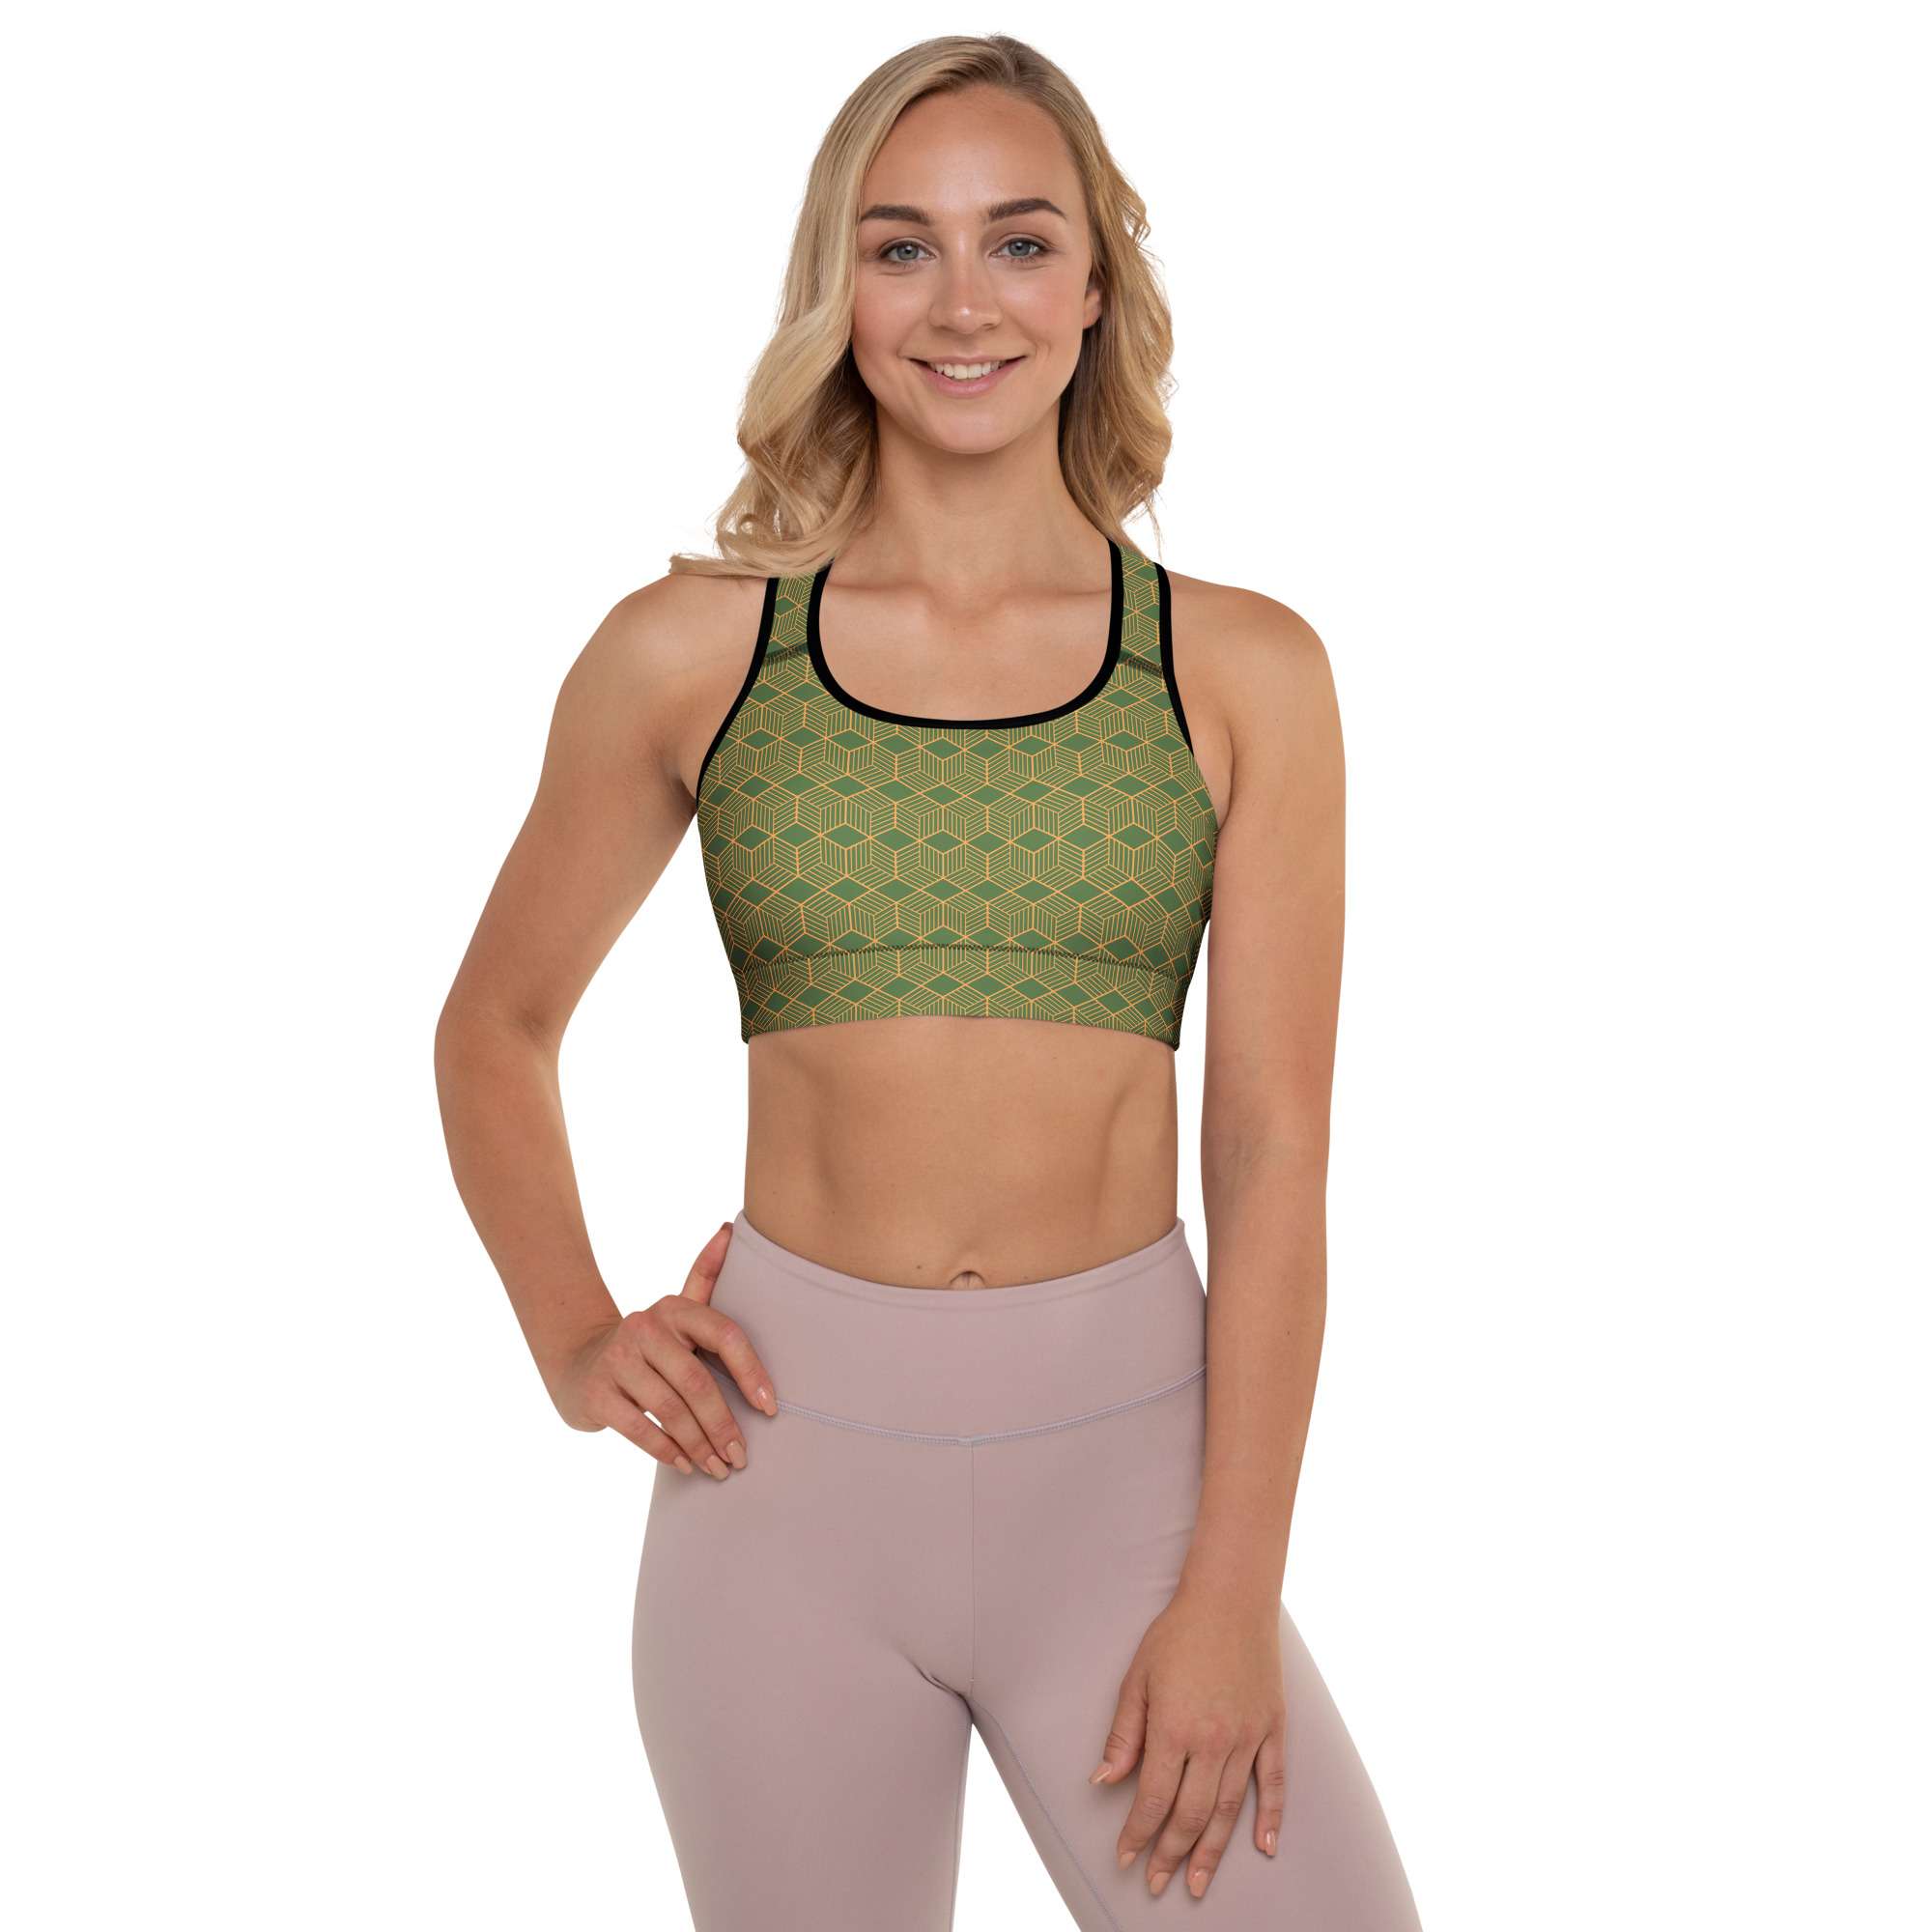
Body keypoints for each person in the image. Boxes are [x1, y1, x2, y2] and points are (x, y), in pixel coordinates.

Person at [435, 32, 1422, 1931]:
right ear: (840, 287)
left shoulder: (1242, 673)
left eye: (1019, 242)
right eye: (903, 248)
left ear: (1096, 286)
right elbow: (496, 1025)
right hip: (781, 1495)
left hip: (1133, 1493)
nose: (964, 302)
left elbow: (1273, 1153)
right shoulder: (689, 654)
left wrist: (1230, 1593)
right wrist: (573, 1338)